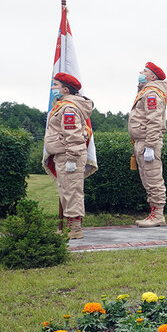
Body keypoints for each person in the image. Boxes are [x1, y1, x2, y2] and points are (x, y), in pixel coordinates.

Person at [42, 72, 96, 239]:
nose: (53, 88)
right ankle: (70, 227)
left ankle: (75, 229)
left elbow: (72, 135)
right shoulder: (63, 105)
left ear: (65, 89)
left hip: (69, 155)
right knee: (66, 190)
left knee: (72, 191)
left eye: (56, 85)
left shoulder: (69, 108)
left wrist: (72, 159)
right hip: (63, 154)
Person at [129, 62, 167, 227]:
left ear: (153, 76)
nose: (140, 72)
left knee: (153, 179)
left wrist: (150, 146)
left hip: (148, 142)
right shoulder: (146, 91)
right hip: (142, 142)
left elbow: (154, 121)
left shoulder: (152, 93)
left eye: (144, 71)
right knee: (148, 180)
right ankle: (154, 213)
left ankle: (158, 215)